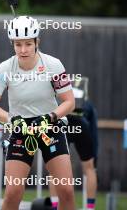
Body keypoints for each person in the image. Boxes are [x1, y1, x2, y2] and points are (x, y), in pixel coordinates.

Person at [0, 15, 76, 210]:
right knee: (13, 193)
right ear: (12, 44)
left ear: (37, 42)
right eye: (18, 45)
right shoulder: (5, 68)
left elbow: (69, 102)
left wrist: (50, 117)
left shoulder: (53, 65)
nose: (23, 50)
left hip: (49, 126)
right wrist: (11, 119)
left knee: (66, 190)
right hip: (21, 129)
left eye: (28, 44)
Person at [49, 79, 98, 210]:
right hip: (81, 124)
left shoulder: (55, 92)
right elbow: (92, 120)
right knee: (89, 168)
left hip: (62, 123)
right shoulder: (83, 97)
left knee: (54, 169)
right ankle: (90, 208)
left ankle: (54, 206)